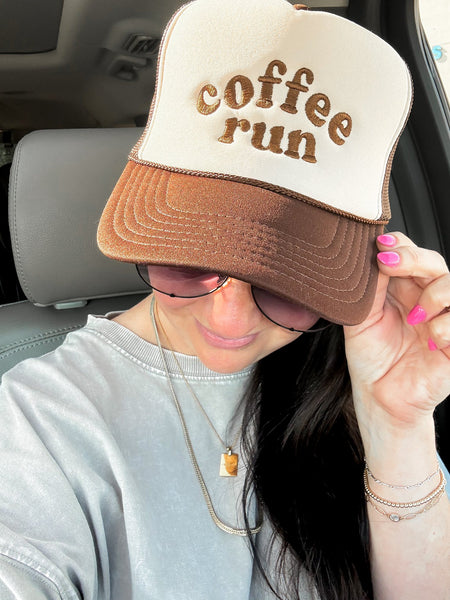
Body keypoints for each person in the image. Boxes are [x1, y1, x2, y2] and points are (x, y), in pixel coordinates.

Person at [0, 1, 449, 599]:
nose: (230, 318)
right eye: (190, 260)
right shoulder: (37, 419)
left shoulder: (357, 371)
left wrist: (398, 425)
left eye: (286, 280)